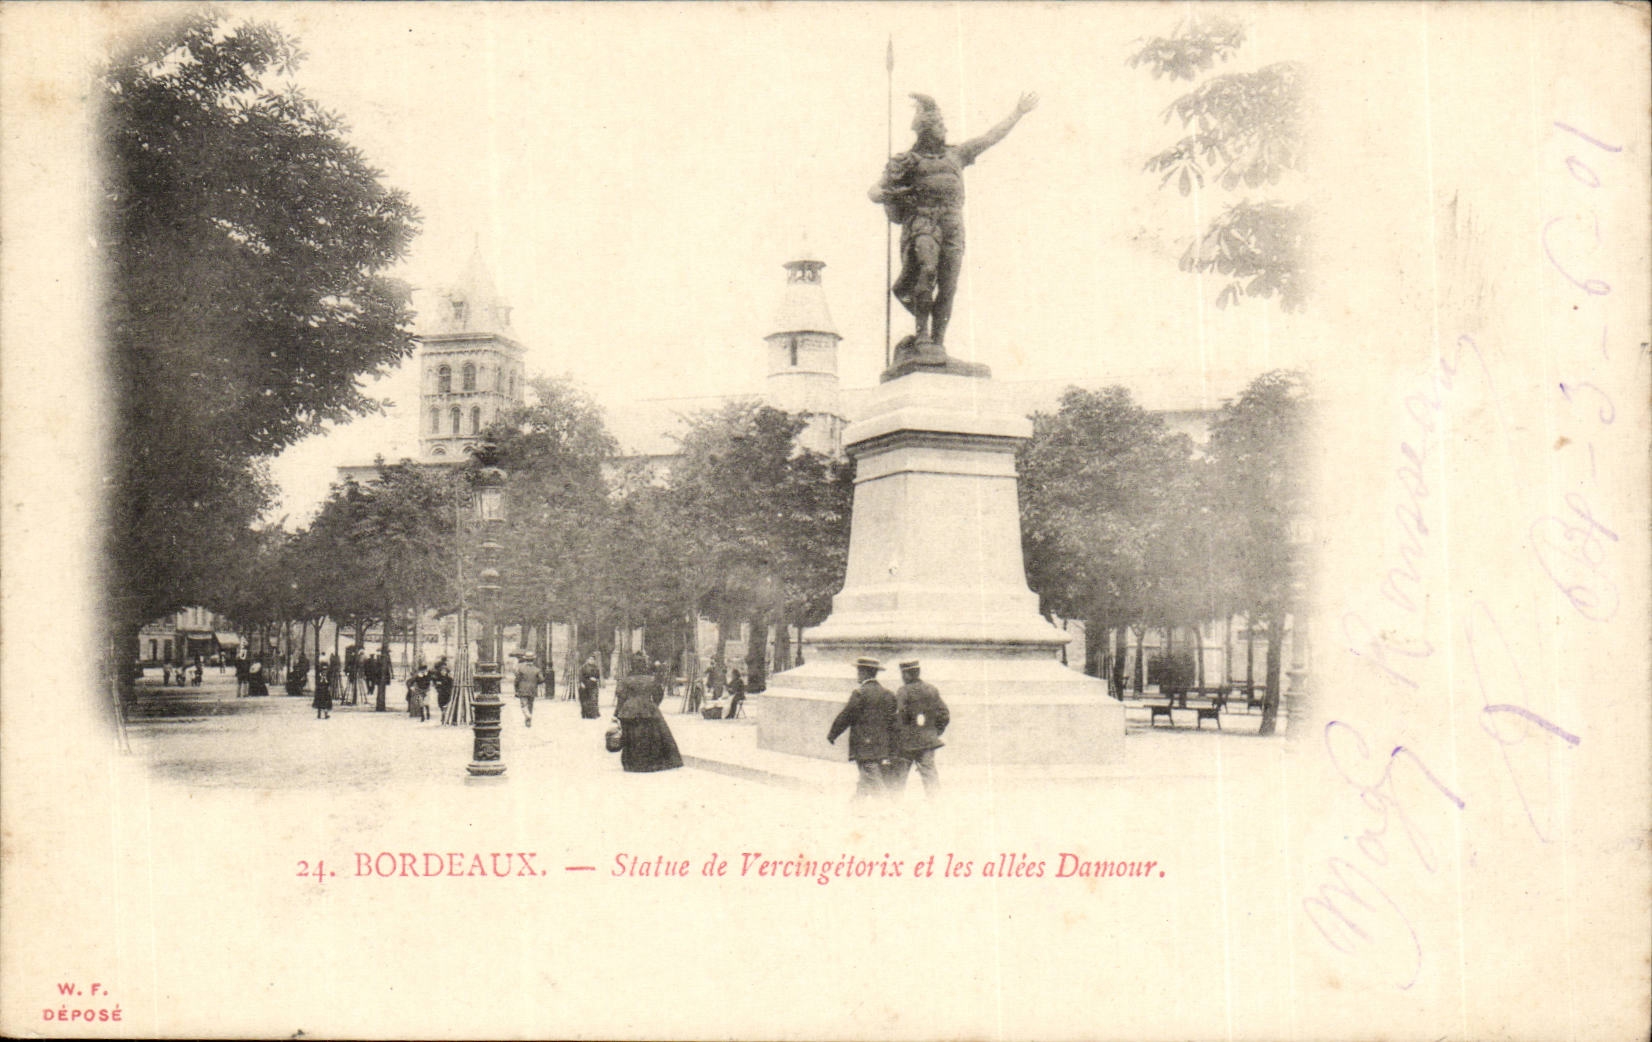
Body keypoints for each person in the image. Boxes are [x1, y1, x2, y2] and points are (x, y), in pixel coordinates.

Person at [869, 91, 1038, 352]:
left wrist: (1017, 113)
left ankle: (937, 342)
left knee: (948, 285)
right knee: (926, 270)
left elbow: (990, 137)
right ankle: (922, 334)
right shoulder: (907, 161)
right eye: (939, 125)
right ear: (925, 130)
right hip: (923, 221)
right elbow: (874, 192)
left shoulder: (956, 155)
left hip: (953, 225)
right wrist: (892, 193)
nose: (944, 129)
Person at [826, 657, 898, 803]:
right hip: (882, 743)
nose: (858, 674)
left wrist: (833, 734)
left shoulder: (860, 693)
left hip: (864, 744)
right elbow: (893, 720)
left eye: (859, 671)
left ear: (865, 673)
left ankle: (886, 806)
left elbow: (846, 715)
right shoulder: (888, 694)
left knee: (870, 773)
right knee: (866, 776)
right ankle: (856, 805)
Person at [888, 660, 950, 798]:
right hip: (927, 741)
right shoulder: (931, 689)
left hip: (906, 743)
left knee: (899, 777)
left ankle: (893, 807)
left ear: (908, 674)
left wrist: (895, 737)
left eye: (904, 674)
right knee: (930, 775)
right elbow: (944, 714)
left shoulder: (903, 691)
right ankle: (937, 804)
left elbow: (898, 717)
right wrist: (934, 732)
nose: (902, 677)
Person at [614, 664, 683, 772]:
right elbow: (659, 694)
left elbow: (621, 697)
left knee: (630, 736)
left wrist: (617, 713)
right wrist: (653, 705)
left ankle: (631, 763)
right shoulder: (651, 679)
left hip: (629, 710)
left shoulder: (625, 680)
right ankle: (648, 763)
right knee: (650, 736)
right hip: (648, 709)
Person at [513, 652, 542, 727]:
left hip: (522, 689)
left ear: (525, 659)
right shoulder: (537, 670)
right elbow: (541, 680)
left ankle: (528, 716)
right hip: (533, 690)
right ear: (533, 660)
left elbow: (517, 680)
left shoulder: (521, 669)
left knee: (524, 705)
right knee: (530, 705)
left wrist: (516, 689)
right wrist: (535, 682)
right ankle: (528, 721)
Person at [578, 655, 603, 719]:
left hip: (593, 686)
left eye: (593, 660)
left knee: (594, 699)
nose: (591, 661)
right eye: (590, 659)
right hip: (585, 685)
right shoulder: (583, 667)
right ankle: (585, 714)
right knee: (585, 700)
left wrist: (596, 679)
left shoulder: (596, 668)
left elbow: (598, 676)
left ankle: (593, 714)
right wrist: (582, 683)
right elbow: (580, 676)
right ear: (587, 660)